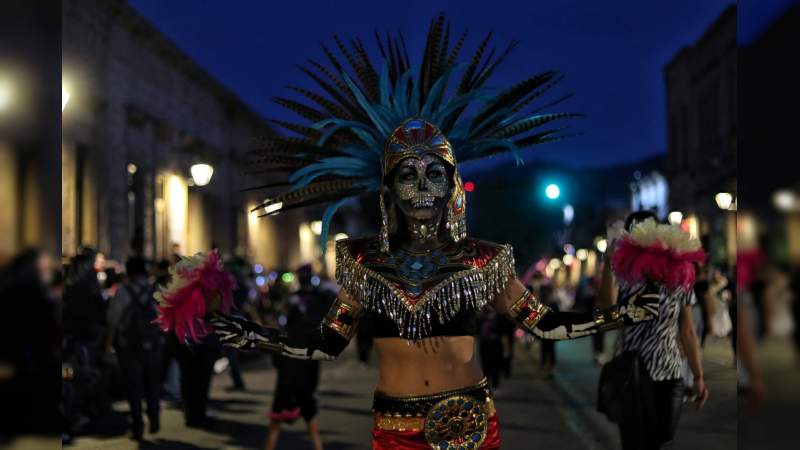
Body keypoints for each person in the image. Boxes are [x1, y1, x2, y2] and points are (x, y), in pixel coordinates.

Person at [204, 16, 661, 449]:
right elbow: (326, 345)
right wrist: (252, 334)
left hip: (470, 421)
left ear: (453, 188)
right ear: (388, 190)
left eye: (434, 174)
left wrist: (622, 314)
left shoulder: (484, 260)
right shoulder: (364, 263)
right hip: (394, 428)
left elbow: (543, 324)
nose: (422, 187)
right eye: (408, 174)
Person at [602, 211, 709, 450]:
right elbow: (605, 311)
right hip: (631, 371)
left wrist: (699, 376)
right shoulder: (625, 273)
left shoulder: (680, 273)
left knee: (661, 443)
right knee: (635, 444)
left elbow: (688, 330)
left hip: (670, 372)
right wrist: (607, 264)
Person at [265, 265, 332, 450]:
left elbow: (276, 318)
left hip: (289, 363)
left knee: (275, 424)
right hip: (308, 359)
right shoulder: (321, 298)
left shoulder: (291, 300)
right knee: (312, 425)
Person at [106, 257, 164, 441]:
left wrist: (108, 343)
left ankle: (137, 425)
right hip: (153, 346)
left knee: (134, 386)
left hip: (130, 346)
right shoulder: (156, 290)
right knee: (153, 383)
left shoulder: (123, 291)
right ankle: (154, 416)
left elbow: (113, 320)